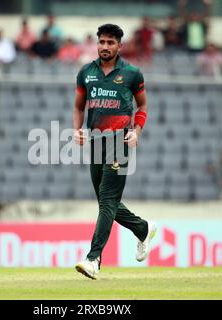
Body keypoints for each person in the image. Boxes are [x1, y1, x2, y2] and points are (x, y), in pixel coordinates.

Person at [73, 24, 156, 280]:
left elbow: (142, 106)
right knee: (105, 201)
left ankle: (93, 258)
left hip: (119, 142)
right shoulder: (86, 73)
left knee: (107, 200)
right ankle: (143, 228)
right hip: (97, 142)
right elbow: (79, 107)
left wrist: (137, 131)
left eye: (110, 42)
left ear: (120, 46)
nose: (105, 46)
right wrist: (78, 129)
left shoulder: (131, 73)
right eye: (102, 42)